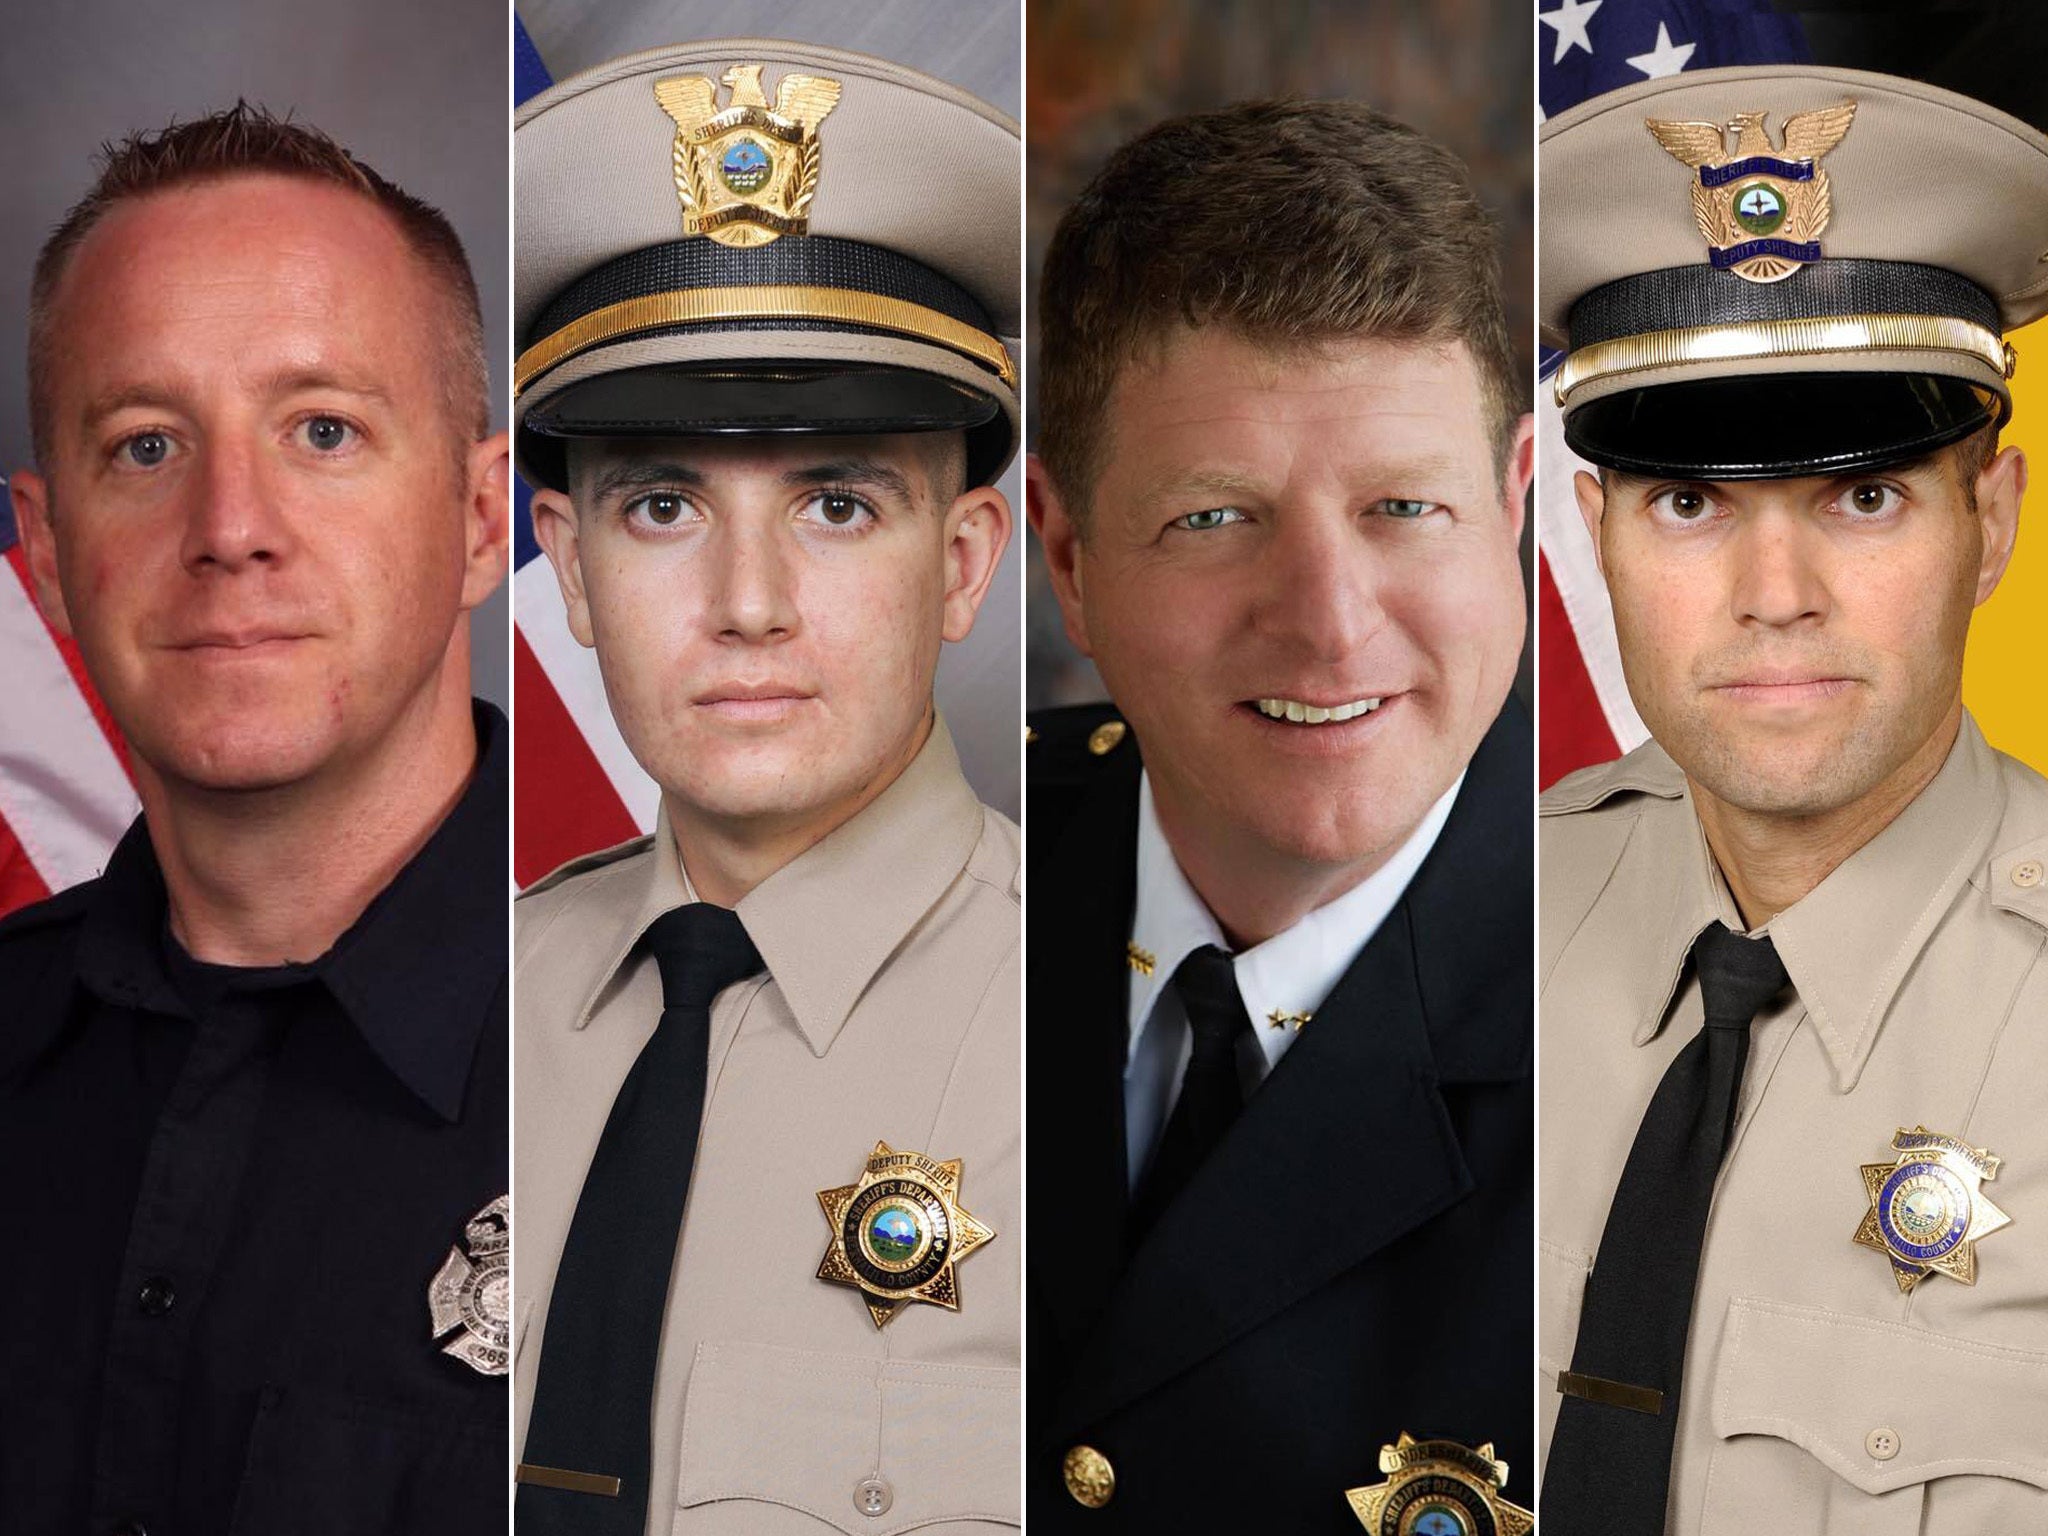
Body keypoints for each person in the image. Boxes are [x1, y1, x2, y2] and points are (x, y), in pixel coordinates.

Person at [509, 41, 1021, 1535]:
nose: (748, 604)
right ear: (574, 565)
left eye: (838, 503)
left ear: (965, 561)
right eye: (664, 506)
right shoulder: (482, 1006)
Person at [1538, 66, 2048, 1535]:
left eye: (1864, 496)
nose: (1775, 601)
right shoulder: (1471, 926)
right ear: (1599, 532)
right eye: (1689, 504)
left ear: (1991, 520)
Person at [0, 105, 510, 1533]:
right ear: (45, 557)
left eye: (323, 430)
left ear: (480, 520)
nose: (232, 524)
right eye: (147, 446)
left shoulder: (699, 1075)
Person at [1027, 100, 1535, 1533]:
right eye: (1215, 517)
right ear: (1069, 558)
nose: (1327, 624)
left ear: (1514, 503)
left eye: (1404, 508)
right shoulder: (939, 907)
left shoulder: (1669, 997)